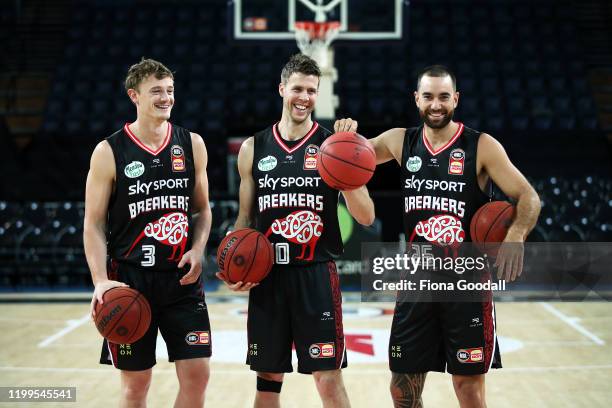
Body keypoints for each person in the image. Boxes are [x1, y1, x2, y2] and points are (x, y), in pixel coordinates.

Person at [346, 65, 541, 407]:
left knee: (468, 389)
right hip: (417, 281)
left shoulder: (481, 146)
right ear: (416, 99)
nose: (436, 105)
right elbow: (350, 158)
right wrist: (345, 135)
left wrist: (516, 235)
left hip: (466, 282)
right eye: (429, 97)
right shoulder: (399, 140)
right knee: (402, 390)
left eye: (443, 97)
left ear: (456, 99)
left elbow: (528, 197)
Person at [216, 53, 375, 408]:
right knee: (267, 382)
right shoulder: (253, 148)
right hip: (267, 277)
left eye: (312, 90)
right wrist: (234, 265)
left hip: (315, 274)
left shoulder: (333, 146)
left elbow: (365, 216)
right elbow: (246, 220)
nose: (304, 97)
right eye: (297, 89)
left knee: (328, 378)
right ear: (282, 89)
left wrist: (349, 163)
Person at [84, 58, 213, 408]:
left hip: (181, 282)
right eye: (156, 91)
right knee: (136, 385)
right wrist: (99, 280)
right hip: (130, 282)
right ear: (134, 96)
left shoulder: (191, 144)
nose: (166, 98)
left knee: (198, 375)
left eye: (170, 90)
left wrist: (198, 249)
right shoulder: (109, 151)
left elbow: (202, 209)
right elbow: (93, 223)